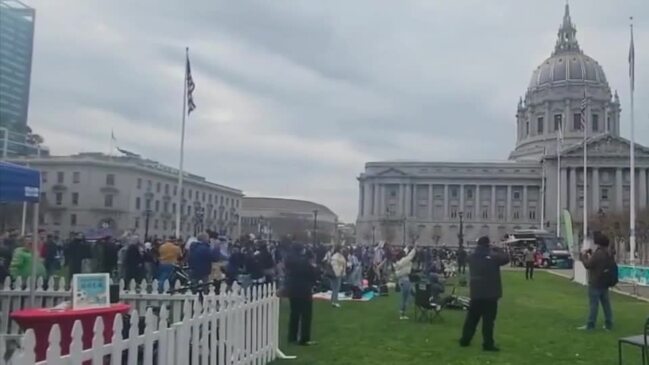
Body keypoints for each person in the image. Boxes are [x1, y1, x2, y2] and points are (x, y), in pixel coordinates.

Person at [460, 236, 509, 352]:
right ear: (488, 244)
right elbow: (506, 259)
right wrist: (498, 249)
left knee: (471, 319)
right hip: (491, 294)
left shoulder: (472, 256)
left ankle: (465, 340)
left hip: (476, 292)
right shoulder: (493, 256)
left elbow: (464, 258)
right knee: (488, 321)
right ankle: (488, 344)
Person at [578, 232, 616, 331]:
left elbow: (588, 265)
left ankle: (591, 325)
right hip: (605, 283)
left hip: (595, 282)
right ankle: (609, 324)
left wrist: (583, 256)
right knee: (606, 305)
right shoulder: (608, 253)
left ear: (598, 243)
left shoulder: (598, 253)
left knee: (594, 305)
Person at [285, 243, 318, 346]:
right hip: (304, 290)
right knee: (306, 315)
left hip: (293, 289)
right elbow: (313, 276)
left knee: (294, 314)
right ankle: (304, 338)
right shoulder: (305, 263)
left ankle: (292, 337)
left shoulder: (289, 260)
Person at [393, 244, 418, 320]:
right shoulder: (404, 261)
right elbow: (410, 256)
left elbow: (405, 252)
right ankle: (402, 313)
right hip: (405, 280)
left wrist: (407, 246)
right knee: (405, 297)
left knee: (408, 295)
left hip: (402, 280)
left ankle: (402, 311)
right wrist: (414, 248)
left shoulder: (398, 262)